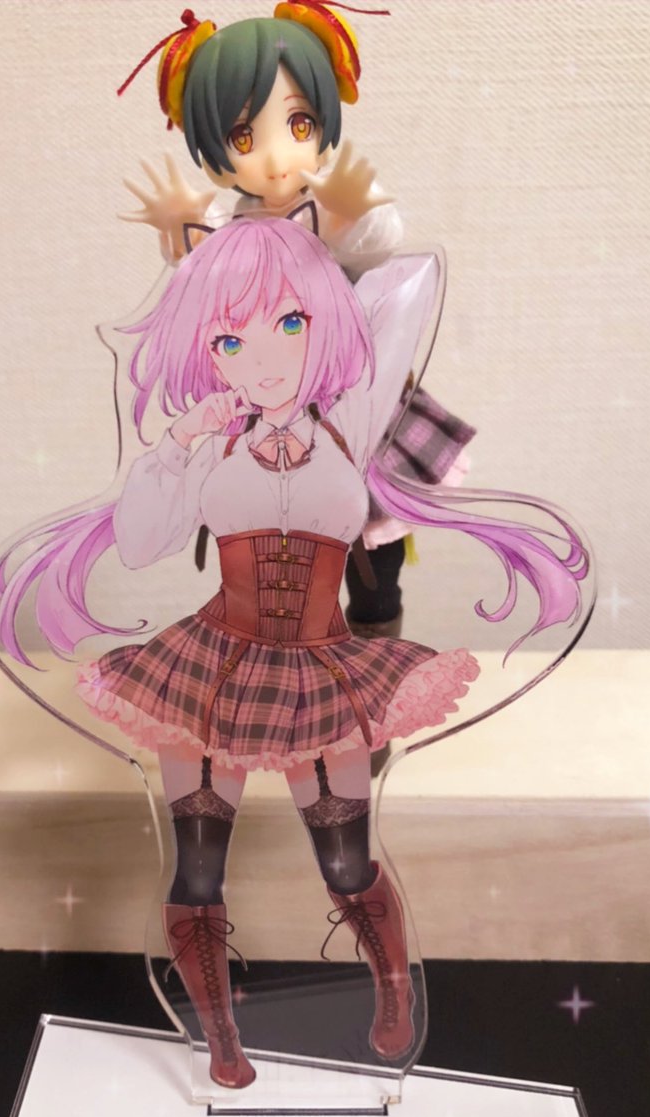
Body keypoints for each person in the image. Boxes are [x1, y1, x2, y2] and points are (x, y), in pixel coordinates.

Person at [0, 218, 588, 1088]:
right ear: (205, 350)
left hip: (322, 668)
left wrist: (328, 230)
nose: (263, 359)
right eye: (230, 339)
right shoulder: (209, 443)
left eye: (291, 324)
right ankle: (220, 1038)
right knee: (199, 868)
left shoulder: (352, 415)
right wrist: (178, 442)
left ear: (325, 325)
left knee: (345, 860)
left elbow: (412, 281)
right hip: (209, 668)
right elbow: (144, 541)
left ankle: (392, 992)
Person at [117, 7, 477, 772]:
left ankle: (372, 706)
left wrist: (352, 212)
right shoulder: (229, 227)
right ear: (212, 145)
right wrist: (179, 235)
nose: (278, 156)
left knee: (373, 567)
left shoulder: (335, 211)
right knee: (279, 576)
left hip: (361, 416)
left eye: (300, 123)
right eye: (244, 137)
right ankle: (294, 706)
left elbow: (381, 245)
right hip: (268, 422)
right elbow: (203, 294)